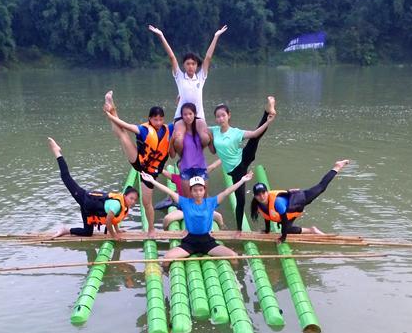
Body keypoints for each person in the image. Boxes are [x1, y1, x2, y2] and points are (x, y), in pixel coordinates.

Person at [139, 170, 254, 264]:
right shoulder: (185, 202)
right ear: (191, 191)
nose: (198, 193)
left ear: (204, 190)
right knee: (166, 259)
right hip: (190, 241)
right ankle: (166, 275)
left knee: (233, 257)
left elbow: (227, 192)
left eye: (200, 190)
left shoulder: (211, 202)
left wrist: (242, 180)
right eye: (195, 190)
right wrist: (152, 181)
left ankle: (235, 284)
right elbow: (168, 190)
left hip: (207, 241)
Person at [148, 24, 225, 155]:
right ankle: (180, 157)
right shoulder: (179, 77)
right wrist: (161, 35)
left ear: (197, 66)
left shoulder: (201, 77)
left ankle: (195, 155)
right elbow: (172, 57)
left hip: (198, 116)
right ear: (183, 65)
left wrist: (216, 36)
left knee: (205, 138)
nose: (190, 66)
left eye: (193, 64)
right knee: (178, 140)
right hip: (181, 116)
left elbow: (208, 58)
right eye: (188, 63)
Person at [102, 91, 173, 231]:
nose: (158, 123)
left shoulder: (169, 128)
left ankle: (151, 229)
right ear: (149, 119)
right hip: (139, 162)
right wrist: (109, 115)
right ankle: (110, 102)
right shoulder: (143, 129)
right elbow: (123, 125)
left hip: (151, 172)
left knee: (147, 203)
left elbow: (182, 118)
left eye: (160, 120)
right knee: (122, 134)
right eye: (155, 120)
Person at [45, 137, 139, 240]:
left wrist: (118, 230)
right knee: (66, 177)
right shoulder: (117, 204)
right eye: (131, 198)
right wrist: (114, 236)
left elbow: (113, 219)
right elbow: (108, 222)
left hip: (88, 208)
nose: (133, 201)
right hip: (84, 197)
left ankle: (65, 230)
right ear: (125, 196)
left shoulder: (123, 206)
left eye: (135, 200)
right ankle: (57, 152)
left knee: (87, 232)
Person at [212, 96, 277, 229]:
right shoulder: (213, 130)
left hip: (242, 163)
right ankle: (240, 228)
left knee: (255, 139)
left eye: (223, 115)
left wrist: (268, 122)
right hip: (233, 170)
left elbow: (254, 133)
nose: (220, 119)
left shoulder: (236, 132)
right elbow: (198, 127)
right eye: (218, 116)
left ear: (228, 116)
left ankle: (268, 110)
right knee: (239, 200)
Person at [250, 160, 352, 243]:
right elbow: (267, 217)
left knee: (321, 187)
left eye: (263, 193)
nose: (261, 196)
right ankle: (312, 230)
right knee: (288, 229)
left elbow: (284, 221)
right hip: (290, 210)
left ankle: (338, 166)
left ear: (267, 193)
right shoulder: (258, 204)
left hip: (300, 199)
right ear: (255, 196)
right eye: (258, 194)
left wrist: (282, 238)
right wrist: (267, 231)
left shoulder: (277, 202)